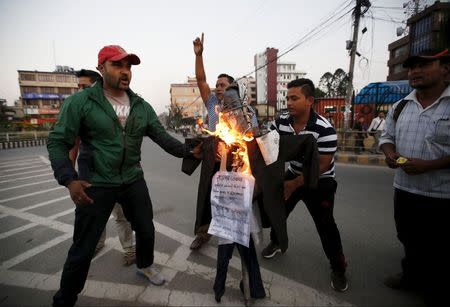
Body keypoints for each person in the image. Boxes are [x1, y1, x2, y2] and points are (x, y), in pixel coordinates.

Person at [47, 45, 202, 307]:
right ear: (101, 68)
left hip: (132, 179)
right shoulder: (81, 102)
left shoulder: (140, 106)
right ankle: (65, 299)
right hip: (95, 182)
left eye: (128, 66)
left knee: (145, 227)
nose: (125, 71)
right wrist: (69, 178)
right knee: (83, 246)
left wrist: (191, 150)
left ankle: (144, 265)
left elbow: (163, 138)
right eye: (117, 65)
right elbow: (58, 142)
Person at [262, 78, 348, 292]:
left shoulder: (324, 129)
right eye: (287, 98)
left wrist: (293, 185)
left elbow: (320, 166)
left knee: (326, 225)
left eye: (294, 98)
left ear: (309, 100)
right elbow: (268, 147)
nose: (288, 103)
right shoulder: (282, 122)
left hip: (320, 181)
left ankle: (339, 268)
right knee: (278, 211)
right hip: (293, 173)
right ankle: (276, 241)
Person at [379, 48, 450, 306]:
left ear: (445, 68)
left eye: (423, 65)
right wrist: (390, 155)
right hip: (405, 189)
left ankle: (435, 287)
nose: (415, 71)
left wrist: (429, 165)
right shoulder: (400, 107)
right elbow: (386, 138)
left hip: (442, 194)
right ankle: (410, 275)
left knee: (440, 247)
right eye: (411, 67)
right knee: (408, 237)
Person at [71, 69, 136, 266]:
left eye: (85, 86)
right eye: (79, 87)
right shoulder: (79, 108)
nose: (81, 91)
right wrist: (71, 177)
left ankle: (130, 250)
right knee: (92, 216)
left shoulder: (116, 108)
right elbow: (72, 142)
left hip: (114, 176)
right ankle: (96, 243)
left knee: (121, 215)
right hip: (88, 175)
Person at [190, 32, 236, 250]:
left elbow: (252, 132)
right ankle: (203, 233)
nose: (218, 87)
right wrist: (199, 55)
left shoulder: (241, 109)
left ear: (233, 89)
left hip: (235, 162)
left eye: (223, 84)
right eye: (217, 84)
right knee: (206, 195)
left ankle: (235, 235)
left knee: (233, 199)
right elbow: (200, 79)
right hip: (212, 159)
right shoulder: (211, 103)